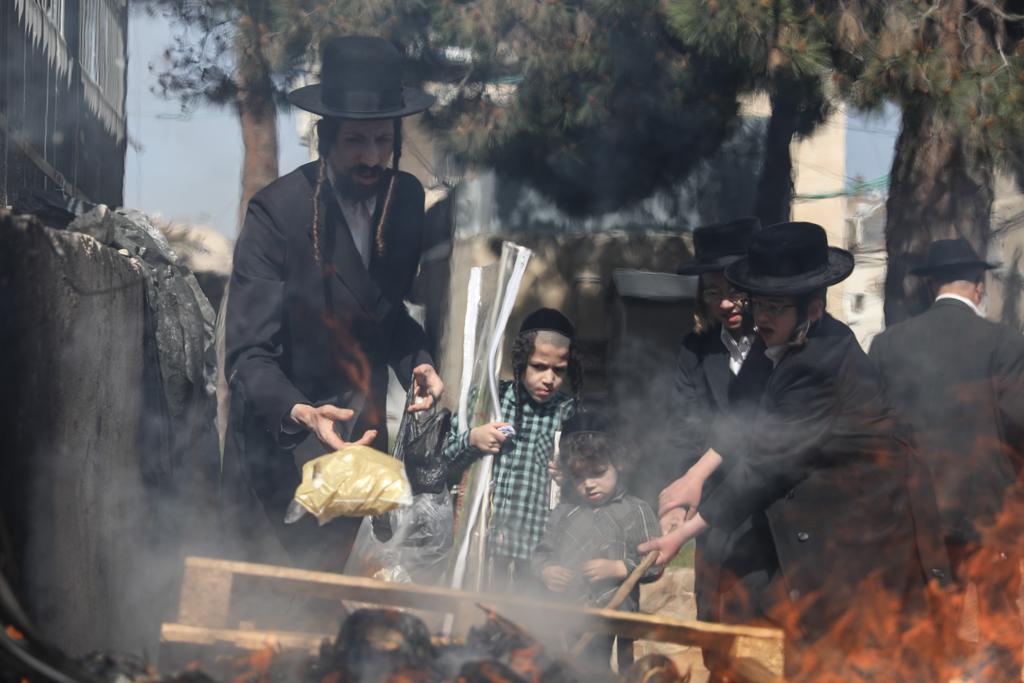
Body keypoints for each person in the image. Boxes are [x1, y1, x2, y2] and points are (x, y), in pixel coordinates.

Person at [640, 222, 949, 679]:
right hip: (815, 522)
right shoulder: (778, 341)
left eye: (776, 307)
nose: (761, 318)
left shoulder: (820, 362)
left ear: (814, 308)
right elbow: (743, 421)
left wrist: (681, 535)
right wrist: (694, 478)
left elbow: (765, 466)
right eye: (757, 303)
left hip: (864, 531)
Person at [223, 36, 444, 571]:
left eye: (380, 140)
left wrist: (419, 362)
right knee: (268, 623)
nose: (371, 157)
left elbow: (384, 313)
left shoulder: (407, 199)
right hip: (281, 457)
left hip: (359, 451)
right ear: (325, 139)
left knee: (340, 626)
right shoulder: (276, 215)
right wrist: (302, 413)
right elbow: (248, 357)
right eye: (354, 142)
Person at [868, 237, 1024, 681]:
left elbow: (871, 431)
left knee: (925, 628)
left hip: (914, 516)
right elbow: (1019, 421)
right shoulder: (1005, 342)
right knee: (997, 626)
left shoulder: (888, 345)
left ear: (932, 285)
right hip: (989, 517)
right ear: (978, 286)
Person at [657, 217, 773, 638]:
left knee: (762, 643)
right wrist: (675, 504)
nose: (726, 304)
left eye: (735, 291)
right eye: (713, 292)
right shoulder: (697, 347)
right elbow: (684, 427)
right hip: (713, 518)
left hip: (770, 519)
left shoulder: (776, 346)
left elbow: (759, 427)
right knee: (714, 634)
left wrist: (696, 475)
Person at [442, 308, 581, 588]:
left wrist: (570, 476)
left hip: (539, 552)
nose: (549, 379)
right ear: (520, 362)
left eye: (559, 370)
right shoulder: (488, 401)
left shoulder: (569, 413)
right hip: (485, 544)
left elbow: (588, 482)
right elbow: (445, 459)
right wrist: (472, 439)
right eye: (539, 366)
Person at [533, 410, 662, 668]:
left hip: (621, 617)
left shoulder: (637, 510)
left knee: (621, 671)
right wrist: (547, 571)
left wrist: (619, 567)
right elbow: (541, 553)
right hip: (572, 613)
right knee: (576, 669)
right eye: (579, 477)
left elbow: (655, 561)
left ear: (620, 463)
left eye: (598, 473)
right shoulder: (564, 512)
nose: (589, 484)